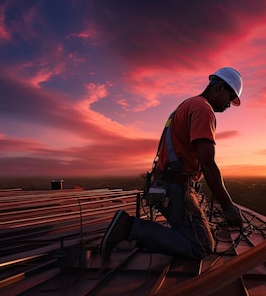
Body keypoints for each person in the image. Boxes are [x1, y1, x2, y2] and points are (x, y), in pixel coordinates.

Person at [101, 67, 244, 260]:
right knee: (200, 246)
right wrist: (228, 206)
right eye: (230, 97)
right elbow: (208, 163)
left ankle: (132, 228)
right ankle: (129, 227)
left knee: (197, 236)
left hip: (167, 184)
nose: (228, 105)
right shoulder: (203, 109)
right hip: (175, 188)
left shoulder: (187, 105)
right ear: (219, 87)